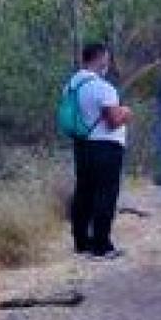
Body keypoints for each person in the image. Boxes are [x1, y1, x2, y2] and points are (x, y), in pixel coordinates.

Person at [64, 42, 133, 260]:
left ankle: (81, 242)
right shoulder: (103, 88)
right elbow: (113, 120)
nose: (108, 62)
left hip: (82, 144)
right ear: (101, 57)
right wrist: (126, 113)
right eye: (107, 58)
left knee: (84, 192)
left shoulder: (71, 86)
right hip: (105, 146)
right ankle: (101, 245)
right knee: (105, 194)